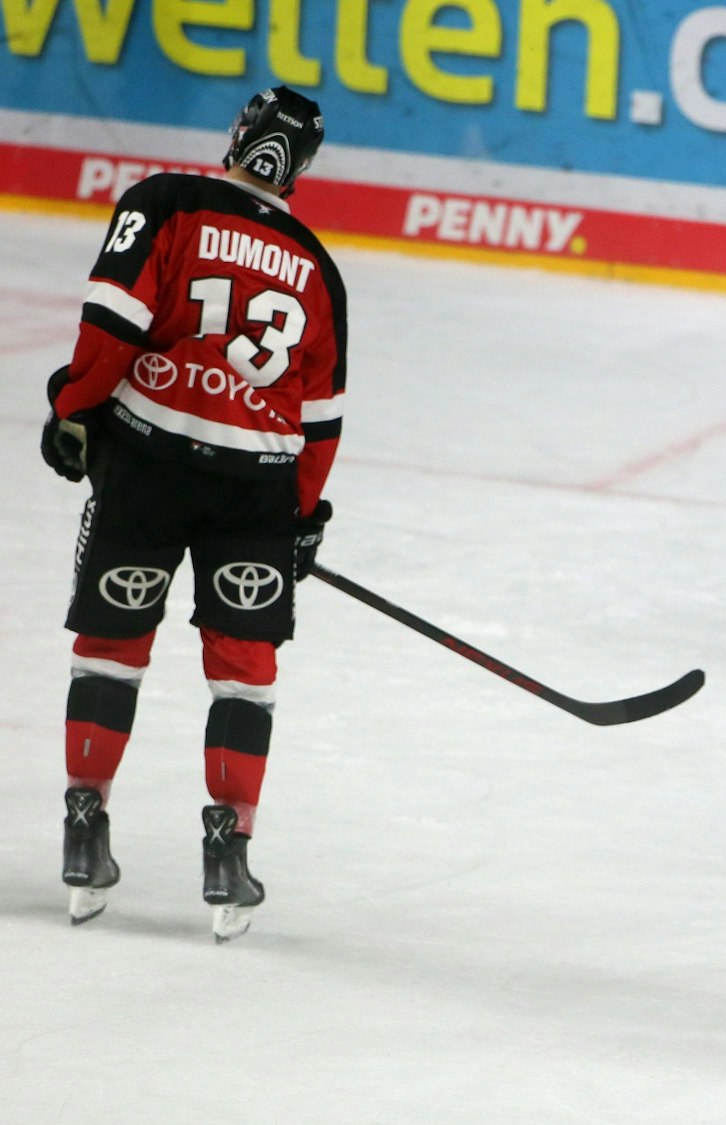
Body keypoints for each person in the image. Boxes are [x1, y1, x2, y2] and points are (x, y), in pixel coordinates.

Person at [39, 86, 345, 943]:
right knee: (244, 670)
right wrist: (305, 516)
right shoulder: (317, 266)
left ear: (239, 135)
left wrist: (75, 406)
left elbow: (111, 326)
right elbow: (320, 417)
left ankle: (83, 828)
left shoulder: (163, 202)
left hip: (147, 465)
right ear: (305, 168)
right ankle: (227, 851)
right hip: (255, 487)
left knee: (111, 646)